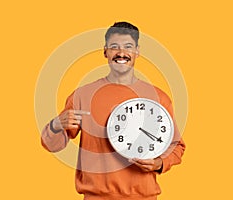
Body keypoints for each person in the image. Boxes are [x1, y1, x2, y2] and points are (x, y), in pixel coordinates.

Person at [41, 21, 186, 200]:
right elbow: (52, 145)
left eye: (128, 46)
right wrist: (55, 125)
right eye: (114, 47)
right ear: (105, 51)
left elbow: (176, 146)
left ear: (137, 51)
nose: (121, 53)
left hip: (143, 197)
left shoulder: (158, 97)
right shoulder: (82, 95)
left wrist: (159, 163)